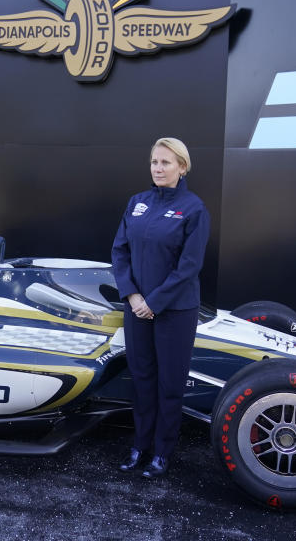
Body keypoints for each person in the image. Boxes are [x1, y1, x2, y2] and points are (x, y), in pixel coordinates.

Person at [110, 137, 210, 479]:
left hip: (175, 313)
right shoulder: (137, 202)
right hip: (137, 309)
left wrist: (155, 302)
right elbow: (119, 252)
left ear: (182, 167)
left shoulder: (194, 209)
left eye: (166, 162)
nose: (158, 168)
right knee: (142, 380)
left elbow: (189, 266)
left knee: (169, 385)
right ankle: (140, 446)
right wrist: (134, 297)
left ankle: (162, 453)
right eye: (155, 162)